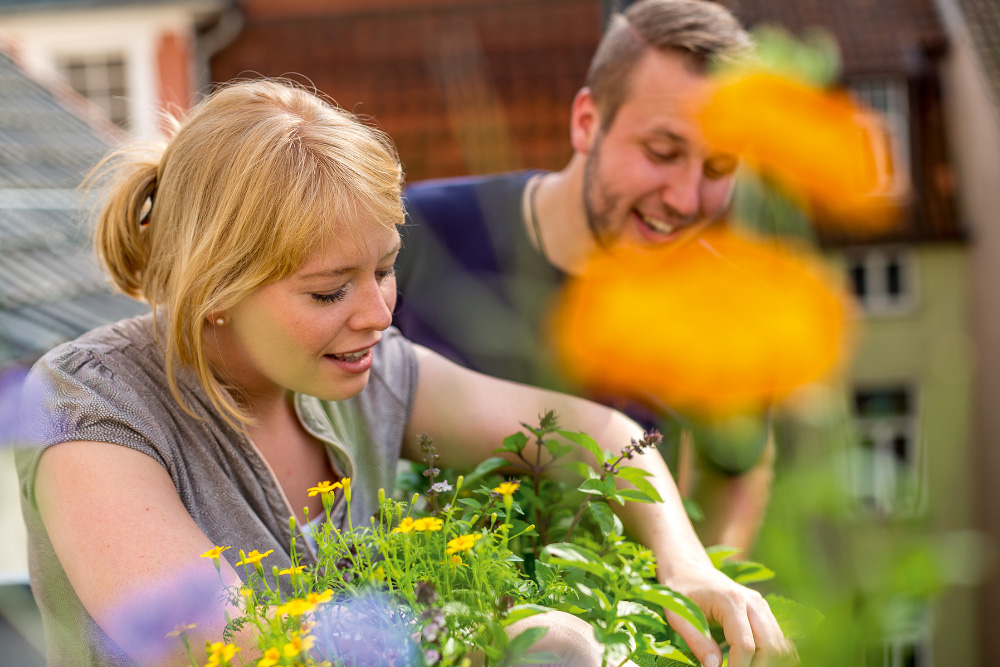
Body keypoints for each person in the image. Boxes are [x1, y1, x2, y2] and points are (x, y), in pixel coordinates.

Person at [16, 79, 794, 667]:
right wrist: (492, 636)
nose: (378, 313)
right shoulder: (92, 404)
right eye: (330, 291)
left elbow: (599, 433)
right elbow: (226, 642)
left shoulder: (368, 374)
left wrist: (686, 566)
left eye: (384, 268)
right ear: (216, 287)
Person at [394, 0, 773, 552]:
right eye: (663, 152)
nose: (687, 199)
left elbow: (737, 472)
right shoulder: (415, 233)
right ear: (587, 123)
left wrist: (699, 578)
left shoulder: (726, 310)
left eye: (719, 168)